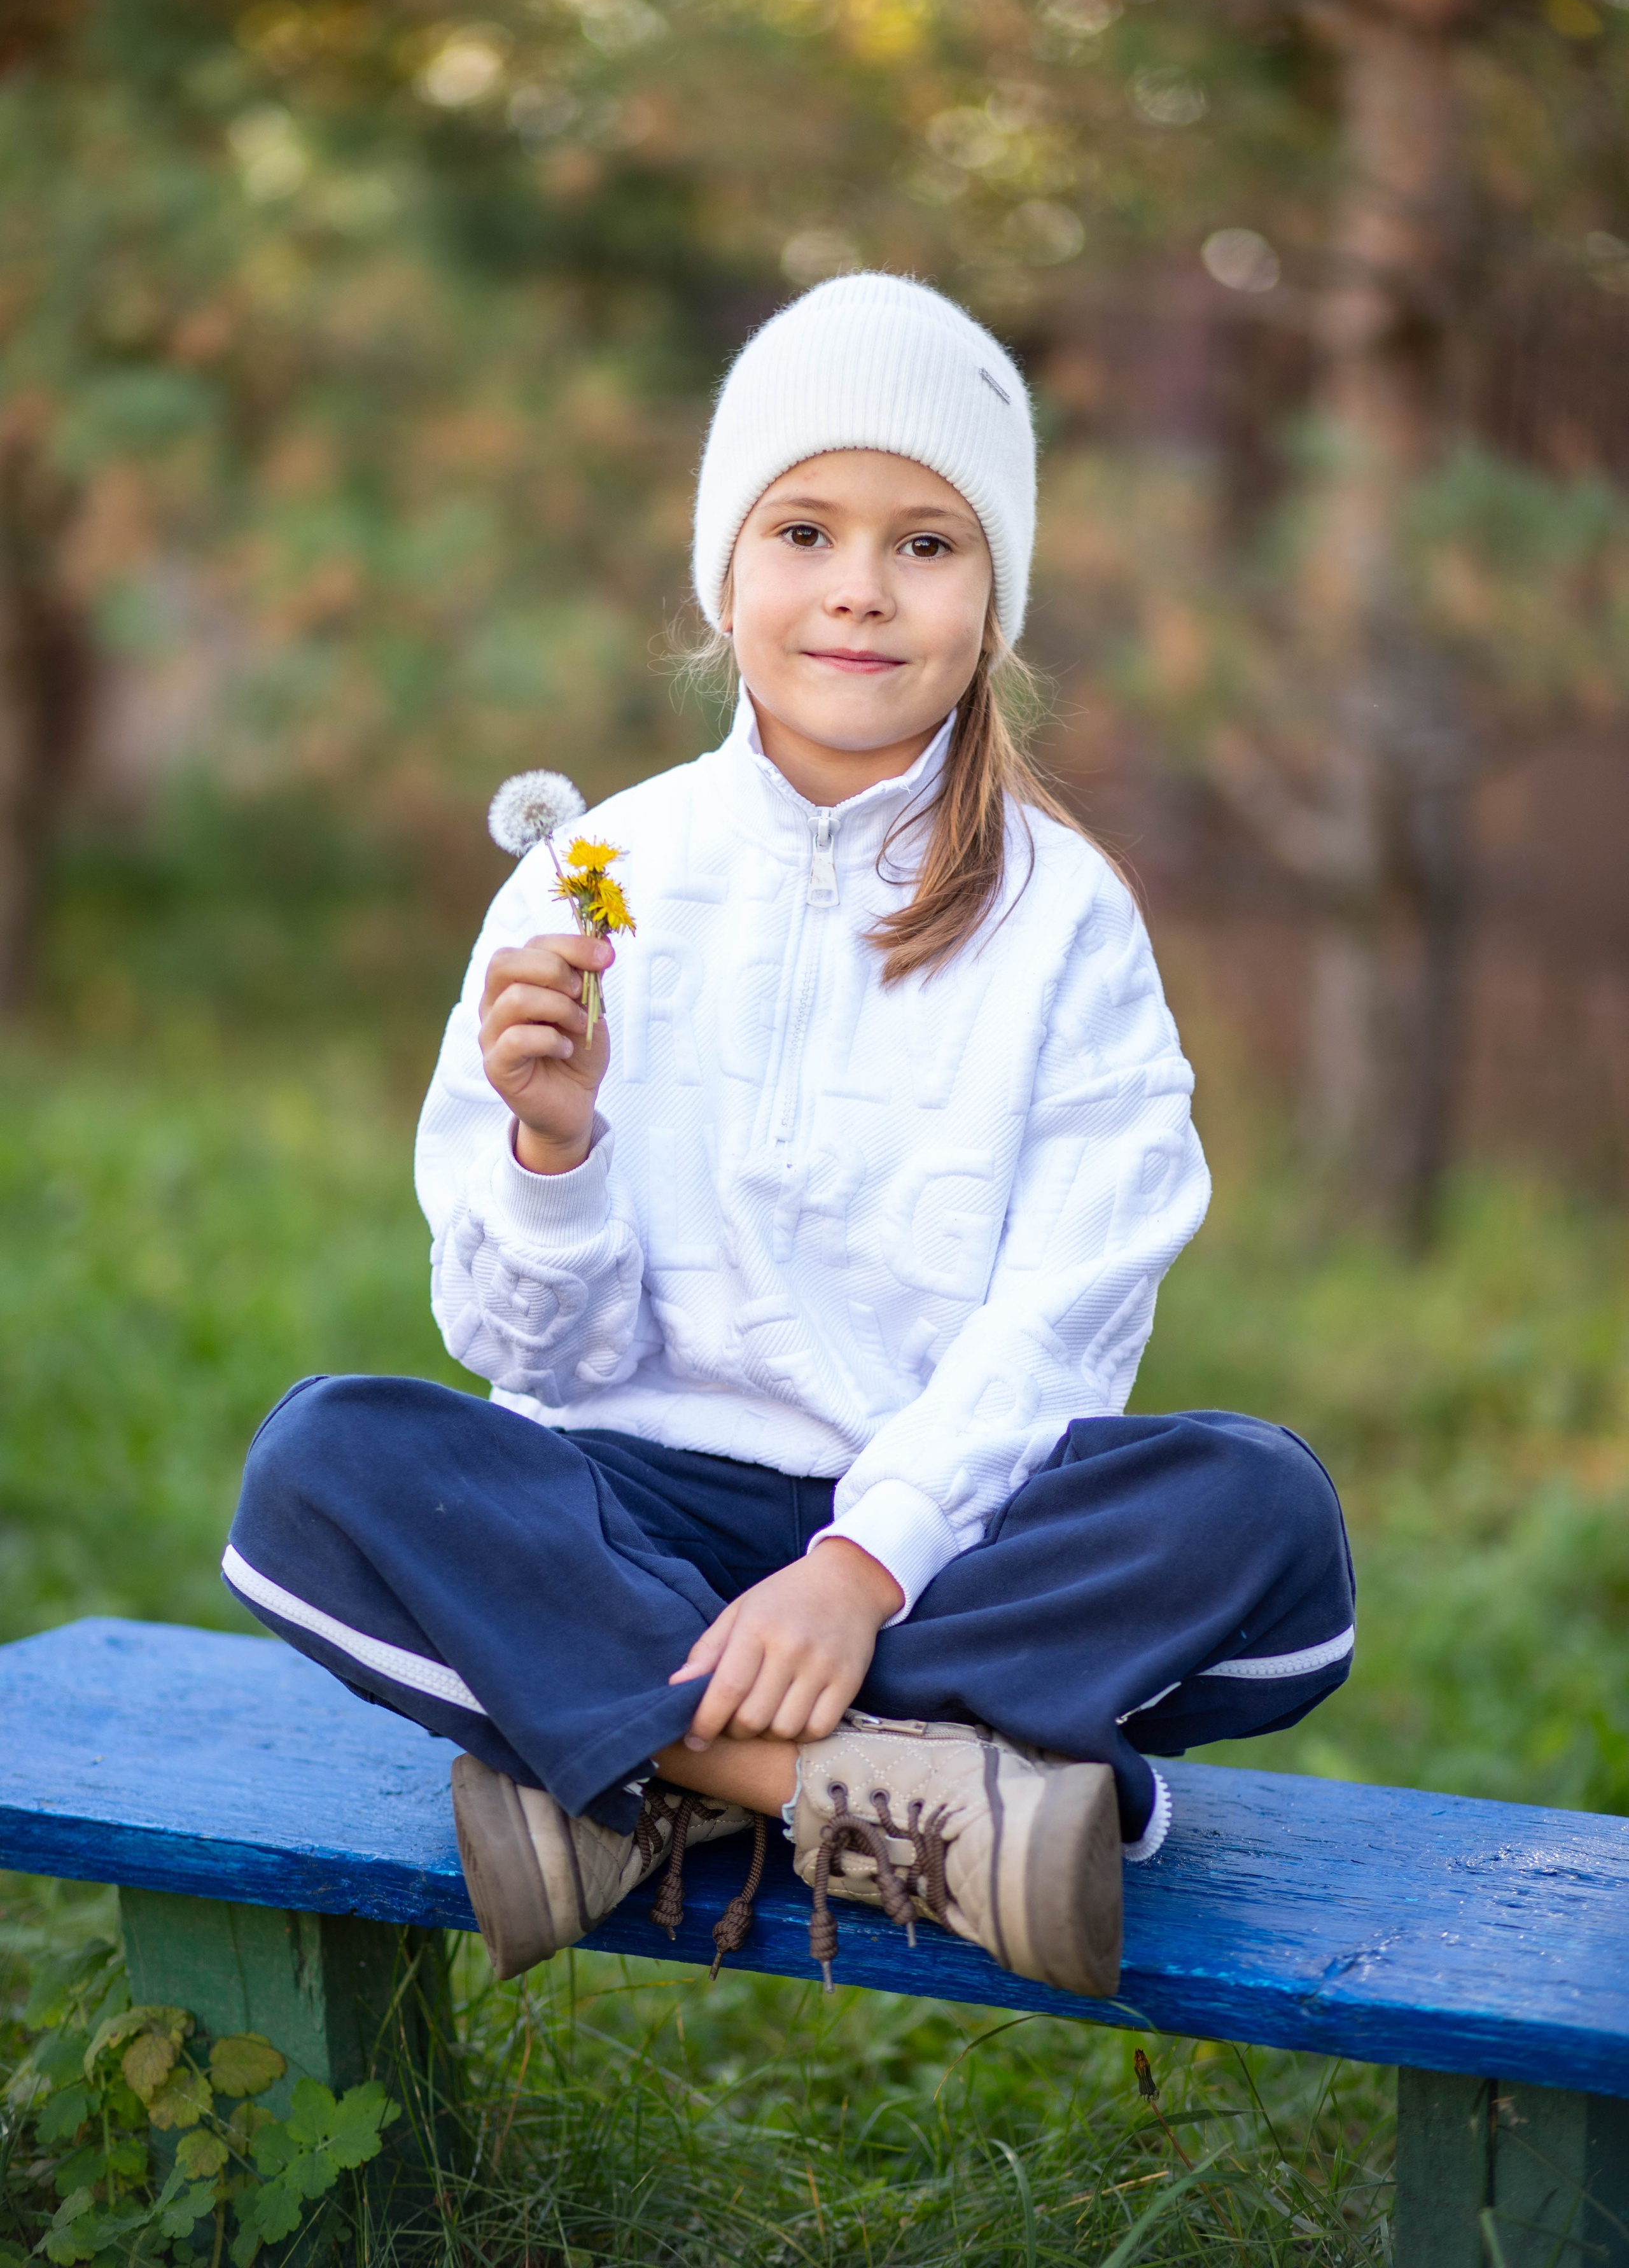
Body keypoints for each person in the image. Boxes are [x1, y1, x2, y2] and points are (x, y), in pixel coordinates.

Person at [225, 274, 1354, 1999]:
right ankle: (858, 1797)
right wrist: (554, 1152)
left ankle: (615, 1768)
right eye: (806, 529)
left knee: (1262, 1519)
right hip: (632, 1512)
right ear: (724, 572)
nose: (857, 590)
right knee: (328, 1465)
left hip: (941, 1546)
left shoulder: (1065, 921)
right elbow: (530, 1355)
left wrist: (856, 1565)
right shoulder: (593, 879)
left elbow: (1068, 1315)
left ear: (996, 600)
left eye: (927, 545)